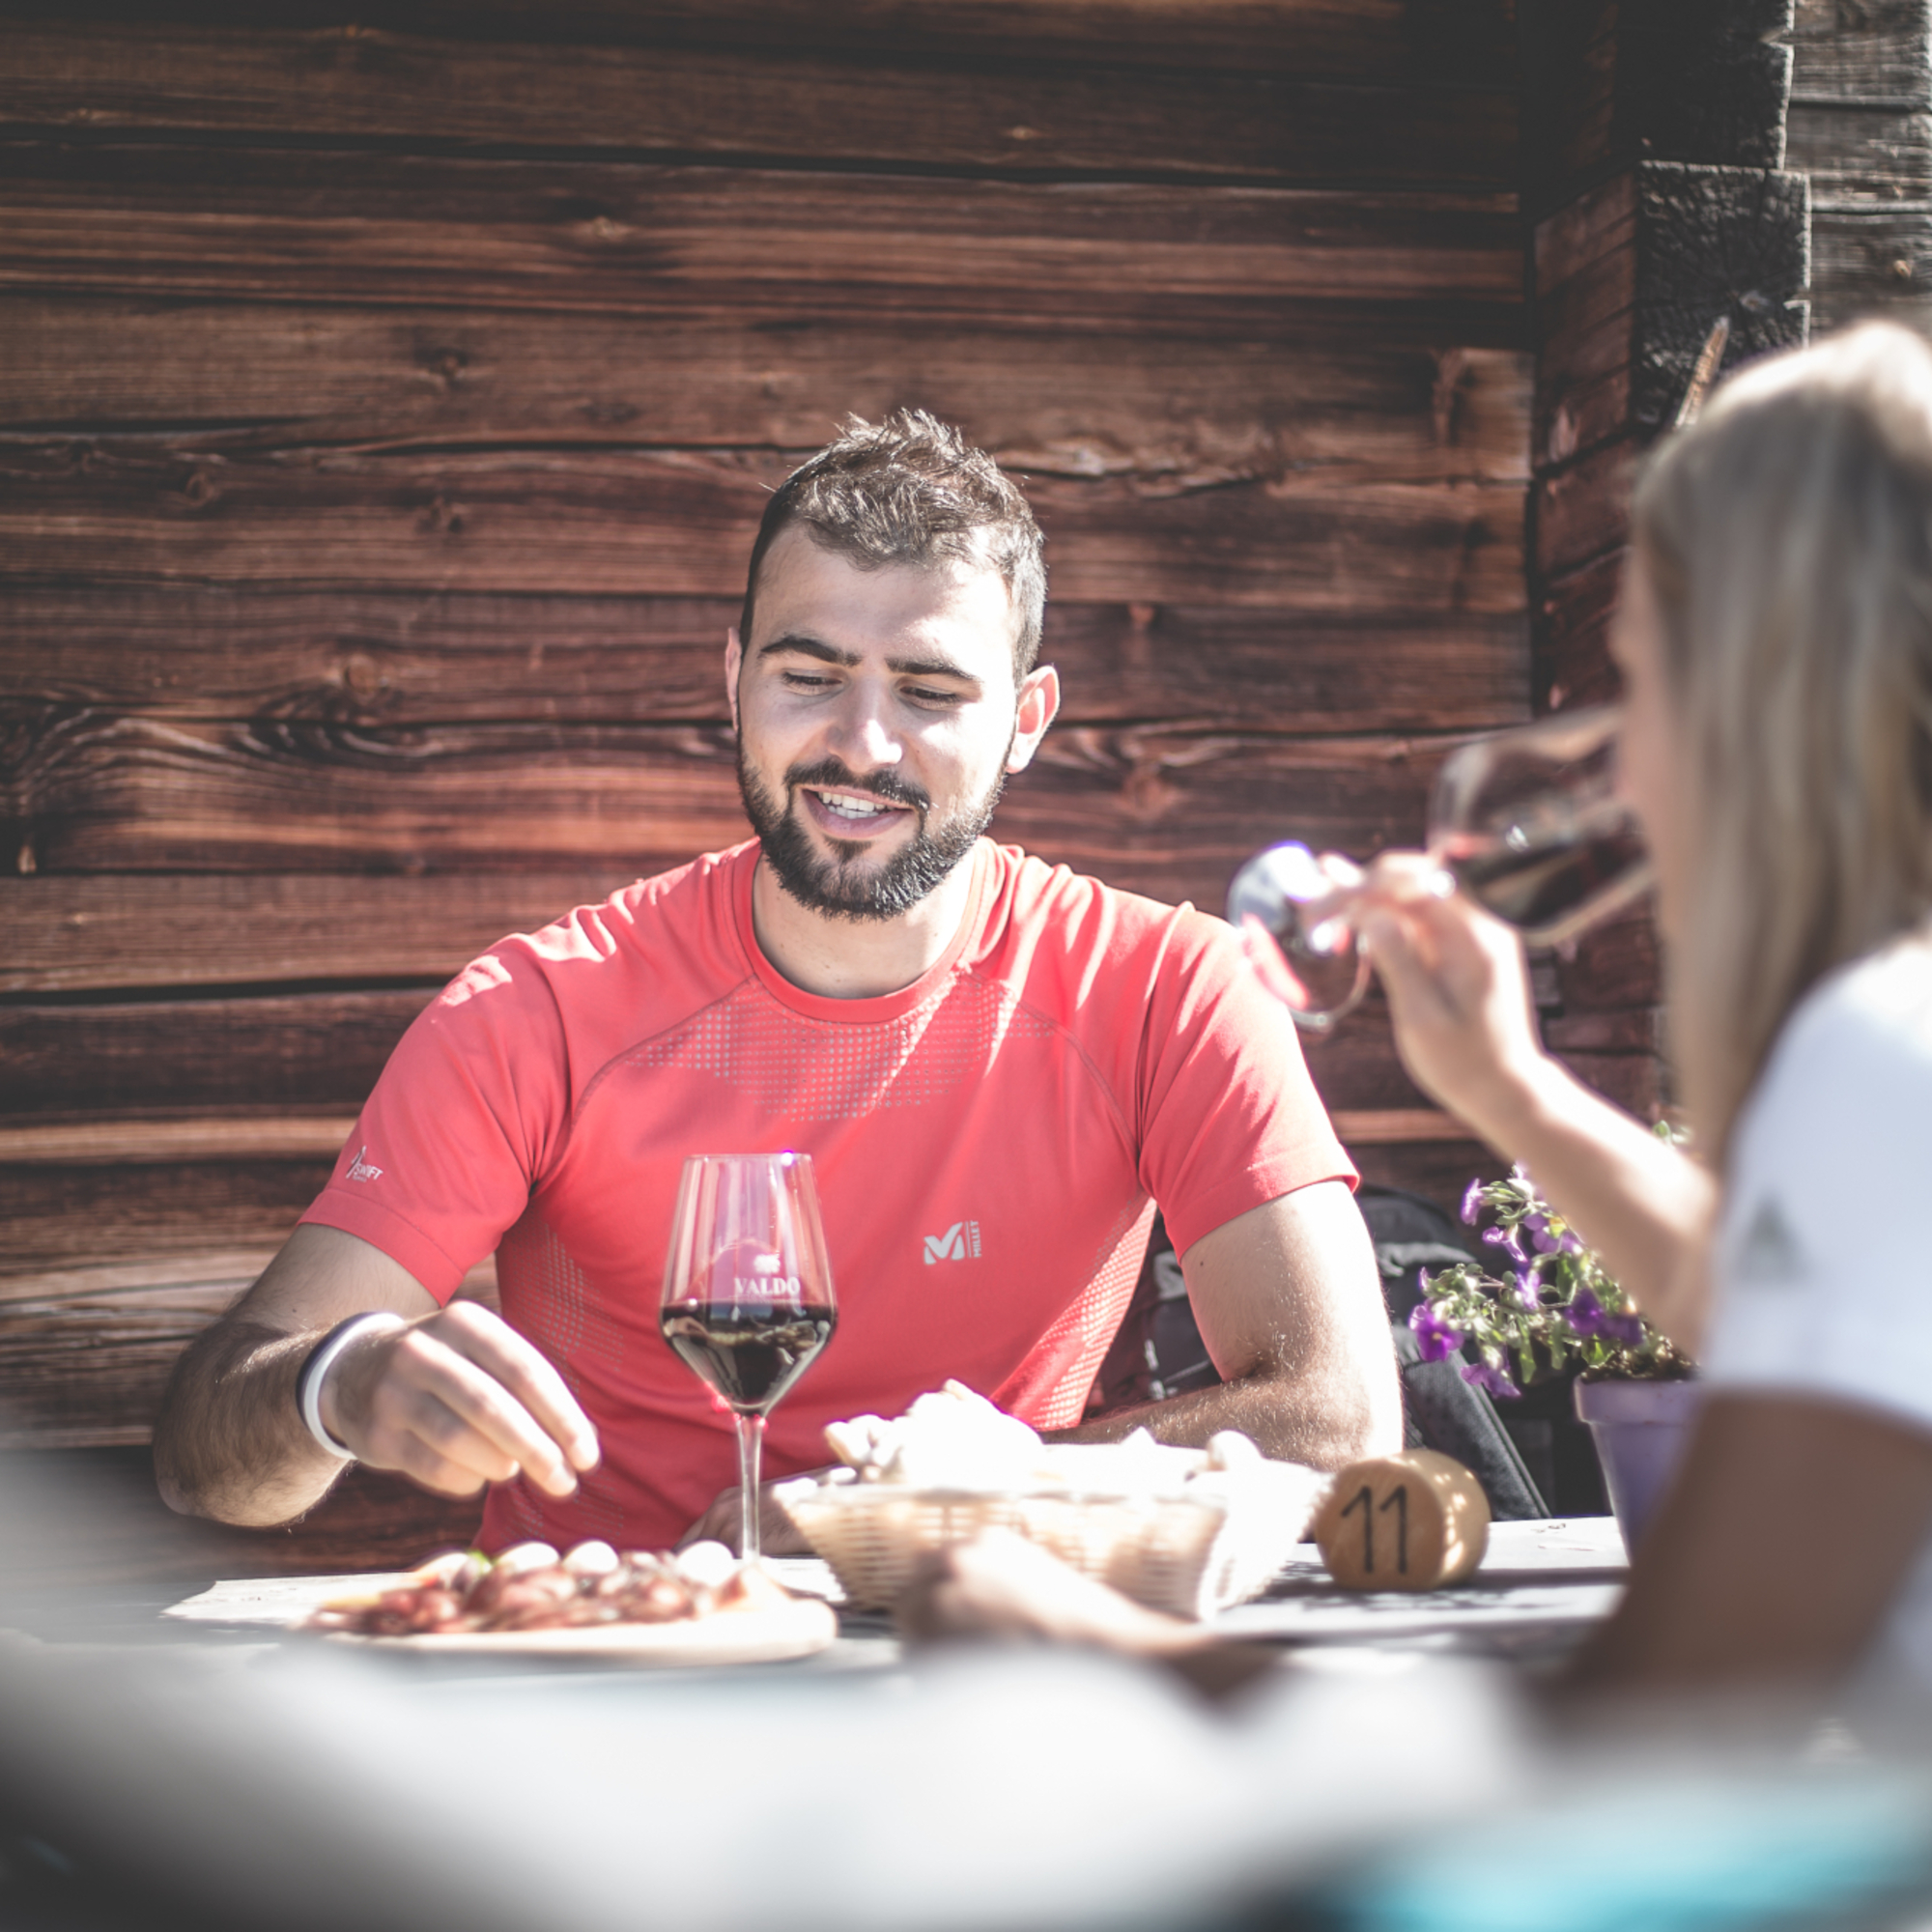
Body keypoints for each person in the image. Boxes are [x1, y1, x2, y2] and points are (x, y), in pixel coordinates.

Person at [153, 410, 1400, 1554]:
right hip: (613, 1663)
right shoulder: (536, 1013)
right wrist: (337, 1383)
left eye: (928, 691)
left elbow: (1339, 1421)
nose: (862, 743)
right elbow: (204, 1464)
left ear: (1026, 720)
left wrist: (902, 1515)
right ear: (734, 678)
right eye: (809, 675)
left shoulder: (1167, 988)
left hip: (995, 1662)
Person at [910, 324, 1932, 1706]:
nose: (1620, 763)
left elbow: (1658, 1733)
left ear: (1769, 698)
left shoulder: (1874, 1058)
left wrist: (1119, 1654)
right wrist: (1509, 1087)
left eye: (1648, 679)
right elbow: (1787, 1296)